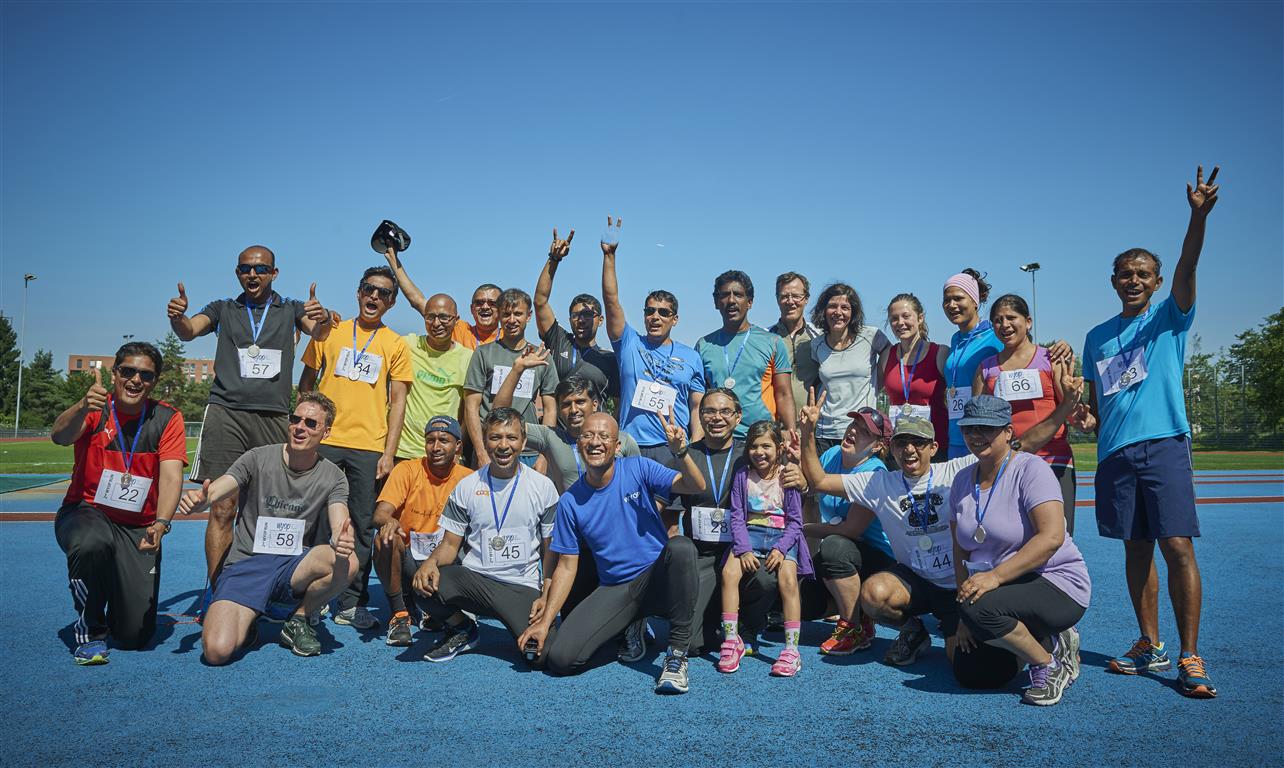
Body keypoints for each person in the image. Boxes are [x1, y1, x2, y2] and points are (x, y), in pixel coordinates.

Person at [798, 387, 1077, 678]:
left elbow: (1020, 444)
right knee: (874, 594)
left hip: (958, 586)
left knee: (966, 666)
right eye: (902, 442)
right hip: (916, 581)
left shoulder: (958, 470)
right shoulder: (879, 483)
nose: (909, 450)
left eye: (919, 442)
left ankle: (1045, 639)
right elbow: (818, 481)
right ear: (891, 447)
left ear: (933, 447)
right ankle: (913, 632)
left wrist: (1064, 407)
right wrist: (808, 432)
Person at [1080, 165, 1221, 699]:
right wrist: (1084, 417)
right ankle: (1149, 643)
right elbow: (1096, 407)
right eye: (1125, 273)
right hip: (1115, 453)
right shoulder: (1096, 337)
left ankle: (1189, 654)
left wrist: (1197, 217)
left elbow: (1189, 263)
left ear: (1157, 282)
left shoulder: (1169, 317)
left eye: (1143, 273)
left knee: (1177, 545)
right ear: (1113, 281)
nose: (1134, 280)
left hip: (1163, 444)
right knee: (1135, 550)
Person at [167, 245, 333, 601]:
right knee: (222, 507)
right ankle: (219, 594)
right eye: (245, 269)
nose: (252, 275)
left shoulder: (291, 309)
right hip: (226, 414)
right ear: (237, 273)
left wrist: (322, 319)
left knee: (270, 510)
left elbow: (318, 333)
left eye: (260, 269)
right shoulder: (223, 309)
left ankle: (264, 590)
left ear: (274, 273)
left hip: (273, 417)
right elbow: (188, 331)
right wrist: (177, 317)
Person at [518, 411, 707, 694]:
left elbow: (695, 485)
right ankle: (630, 623)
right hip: (617, 589)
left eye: (604, 436)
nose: (595, 442)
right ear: (579, 444)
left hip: (657, 580)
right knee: (561, 660)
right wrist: (545, 623)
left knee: (681, 547)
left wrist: (681, 452)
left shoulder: (638, 467)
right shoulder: (569, 502)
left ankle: (676, 657)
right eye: (588, 436)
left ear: (617, 446)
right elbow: (566, 567)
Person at [182, 392, 358, 665]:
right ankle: (249, 616)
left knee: (348, 561)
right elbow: (220, 487)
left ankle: (298, 618)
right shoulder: (257, 457)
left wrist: (340, 537)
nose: (300, 427)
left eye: (311, 423)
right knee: (216, 652)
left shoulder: (333, 476)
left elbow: (339, 518)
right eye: (295, 419)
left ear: (326, 432)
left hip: (293, 567)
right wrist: (202, 499)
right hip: (248, 565)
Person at [50, 343, 187, 664]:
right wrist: (81, 406)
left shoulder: (167, 418)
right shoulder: (95, 408)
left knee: (133, 636)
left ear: (154, 381)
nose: (136, 380)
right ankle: (90, 631)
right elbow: (59, 436)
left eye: (146, 375)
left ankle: (116, 580)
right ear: (114, 374)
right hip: (86, 512)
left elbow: (171, 477)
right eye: (128, 371)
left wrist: (161, 523)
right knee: (91, 543)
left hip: (139, 526)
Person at [950, 395, 1090, 706]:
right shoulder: (961, 481)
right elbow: (960, 550)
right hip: (999, 591)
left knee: (979, 609)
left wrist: (994, 579)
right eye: (969, 428)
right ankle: (1046, 641)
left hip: (1053, 581)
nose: (975, 435)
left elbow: (1051, 537)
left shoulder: (1031, 469)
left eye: (986, 428)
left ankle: (1049, 664)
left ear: (1008, 432)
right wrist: (963, 615)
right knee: (971, 672)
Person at [299, 266, 412, 630]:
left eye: (383, 293)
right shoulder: (329, 331)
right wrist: (307, 429)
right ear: (358, 292)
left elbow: (399, 402)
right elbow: (306, 382)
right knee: (318, 521)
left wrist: (388, 452)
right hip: (326, 442)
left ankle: (351, 601)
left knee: (362, 525)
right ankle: (313, 596)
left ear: (391, 303)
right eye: (369, 289)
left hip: (368, 447)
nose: (374, 296)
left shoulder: (395, 344)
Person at [411, 409, 560, 663]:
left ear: (523, 441)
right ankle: (463, 629)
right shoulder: (467, 486)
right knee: (422, 583)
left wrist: (546, 595)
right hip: (475, 581)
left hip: (520, 586)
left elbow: (550, 552)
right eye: (495, 437)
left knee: (541, 658)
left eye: (511, 437)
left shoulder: (543, 487)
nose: (503, 445)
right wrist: (431, 562)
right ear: (484, 440)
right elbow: (449, 545)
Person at [600, 216, 706, 460]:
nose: (655, 317)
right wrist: (609, 257)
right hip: (631, 446)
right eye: (650, 311)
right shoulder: (629, 343)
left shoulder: (691, 356)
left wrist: (695, 448)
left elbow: (697, 408)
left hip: (673, 446)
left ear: (675, 319)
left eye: (663, 312)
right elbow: (611, 300)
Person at [974, 294, 1078, 532]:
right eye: (998, 320)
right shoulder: (986, 368)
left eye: (1012, 318)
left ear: (1028, 322)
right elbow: (977, 422)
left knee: (1058, 538)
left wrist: (1080, 410)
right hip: (1007, 466)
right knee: (1014, 538)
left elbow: (1071, 410)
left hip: (1053, 461)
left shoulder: (1051, 359)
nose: (1005, 325)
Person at [717, 420, 811, 677]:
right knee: (728, 573)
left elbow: (796, 521)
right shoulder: (742, 476)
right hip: (750, 533)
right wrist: (744, 548)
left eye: (766, 446)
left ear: (779, 448)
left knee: (788, 580)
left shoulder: (787, 475)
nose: (759, 452)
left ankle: (792, 650)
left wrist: (781, 549)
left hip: (782, 535)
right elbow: (737, 516)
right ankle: (731, 640)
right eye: (754, 446)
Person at [800, 407, 896, 655]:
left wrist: (803, 530)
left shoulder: (875, 473)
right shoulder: (833, 454)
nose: (854, 431)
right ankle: (859, 610)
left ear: (877, 446)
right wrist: (802, 442)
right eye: (854, 425)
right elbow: (809, 485)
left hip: (878, 560)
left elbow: (851, 530)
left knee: (834, 547)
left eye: (865, 432)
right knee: (802, 603)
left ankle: (852, 627)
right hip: (844, 552)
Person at [371, 416, 474, 647]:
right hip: (408, 557)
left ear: (458, 446)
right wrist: (390, 522)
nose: (436, 447)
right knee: (385, 538)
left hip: (446, 559)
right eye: (430, 440)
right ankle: (399, 614)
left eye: (444, 440)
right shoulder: (406, 469)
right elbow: (379, 514)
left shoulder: (468, 478)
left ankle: (436, 606)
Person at [495, 350, 640, 493]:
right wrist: (517, 370)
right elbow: (499, 419)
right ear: (558, 409)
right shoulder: (551, 437)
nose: (574, 410)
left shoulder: (623, 441)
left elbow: (637, 485)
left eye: (580, 402)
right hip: (568, 508)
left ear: (595, 404)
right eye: (566, 404)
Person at [463, 288, 559, 468]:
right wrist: (481, 451)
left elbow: (550, 409)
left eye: (518, 314)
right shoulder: (483, 354)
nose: (512, 320)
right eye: (506, 314)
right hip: (490, 448)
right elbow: (471, 408)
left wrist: (544, 455)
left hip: (529, 450)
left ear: (528, 316)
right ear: (499, 316)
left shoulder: (541, 356)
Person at [696, 270, 796, 435]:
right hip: (717, 437)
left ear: (749, 302)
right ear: (716, 302)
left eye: (738, 295)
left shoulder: (772, 342)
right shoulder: (704, 345)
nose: (731, 300)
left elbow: (784, 394)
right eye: (725, 295)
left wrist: (790, 433)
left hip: (760, 438)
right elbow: (698, 399)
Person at [800, 282, 891, 455]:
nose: (838, 312)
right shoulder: (816, 345)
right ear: (823, 310)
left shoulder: (871, 336)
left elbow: (891, 358)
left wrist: (877, 384)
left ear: (853, 312)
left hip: (862, 429)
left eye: (845, 307)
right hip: (825, 432)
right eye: (832, 306)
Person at [533, 228, 619, 402]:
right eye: (575, 315)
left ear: (600, 320)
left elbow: (618, 404)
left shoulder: (610, 359)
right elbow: (540, 302)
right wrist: (554, 259)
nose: (581, 319)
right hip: (558, 420)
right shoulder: (559, 340)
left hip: (594, 421)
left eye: (588, 314)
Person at [393, 293, 474, 462]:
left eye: (444, 317)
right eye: (430, 317)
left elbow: (467, 412)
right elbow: (375, 338)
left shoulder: (467, 358)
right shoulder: (408, 345)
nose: (436, 323)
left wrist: (457, 450)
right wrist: (334, 322)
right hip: (404, 451)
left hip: (443, 455)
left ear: (456, 320)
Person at [383, 245, 500, 350]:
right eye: (479, 303)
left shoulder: (509, 337)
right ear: (472, 309)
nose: (485, 307)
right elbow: (417, 301)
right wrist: (393, 259)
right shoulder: (458, 328)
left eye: (492, 303)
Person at [941, 269, 1004, 459]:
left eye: (958, 298)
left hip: (984, 437)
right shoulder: (955, 339)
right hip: (956, 436)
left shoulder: (995, 336)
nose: (952, 305)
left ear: (975, 301)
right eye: (947, 300)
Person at [879, 293, 949, 447]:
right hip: (898, 445)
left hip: (934, 444)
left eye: (906, 316)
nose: (900, 323)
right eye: (894, 319)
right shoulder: (886, 356)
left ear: (920, 318)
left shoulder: (940, 353)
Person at [769, 272, 822, 421]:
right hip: (774, 425)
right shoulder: (766, 338)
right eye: (784, 296)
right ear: (777, 299)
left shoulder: (820, 338)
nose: (790, 301)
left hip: (811, 424)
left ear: (806, 298)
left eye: (796, 296)